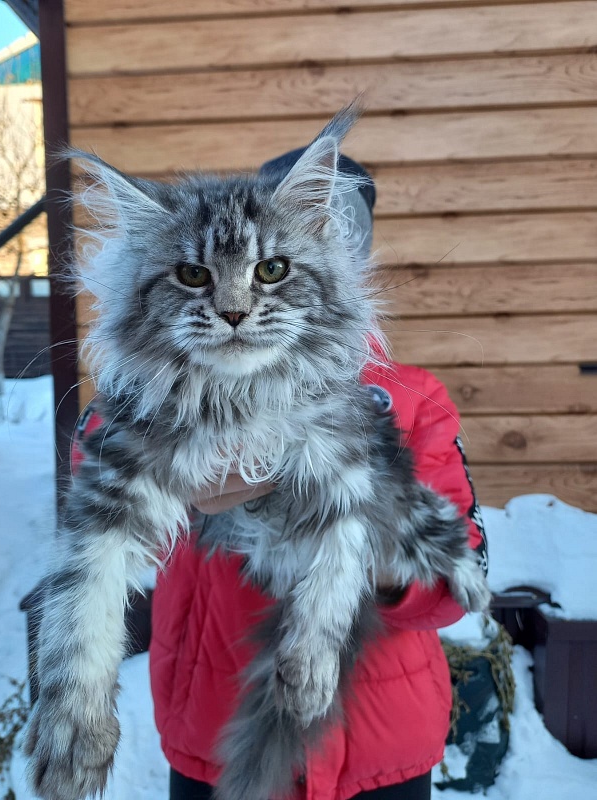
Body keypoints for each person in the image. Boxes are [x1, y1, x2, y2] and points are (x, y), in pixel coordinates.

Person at [72, 150, 487, 800]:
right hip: (217, 730)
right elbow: (95, 473)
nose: (238, 306)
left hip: (381, 746)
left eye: (272, 267)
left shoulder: (415, 398)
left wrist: (340, 520)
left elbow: (458, 580)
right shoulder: (152, 392)